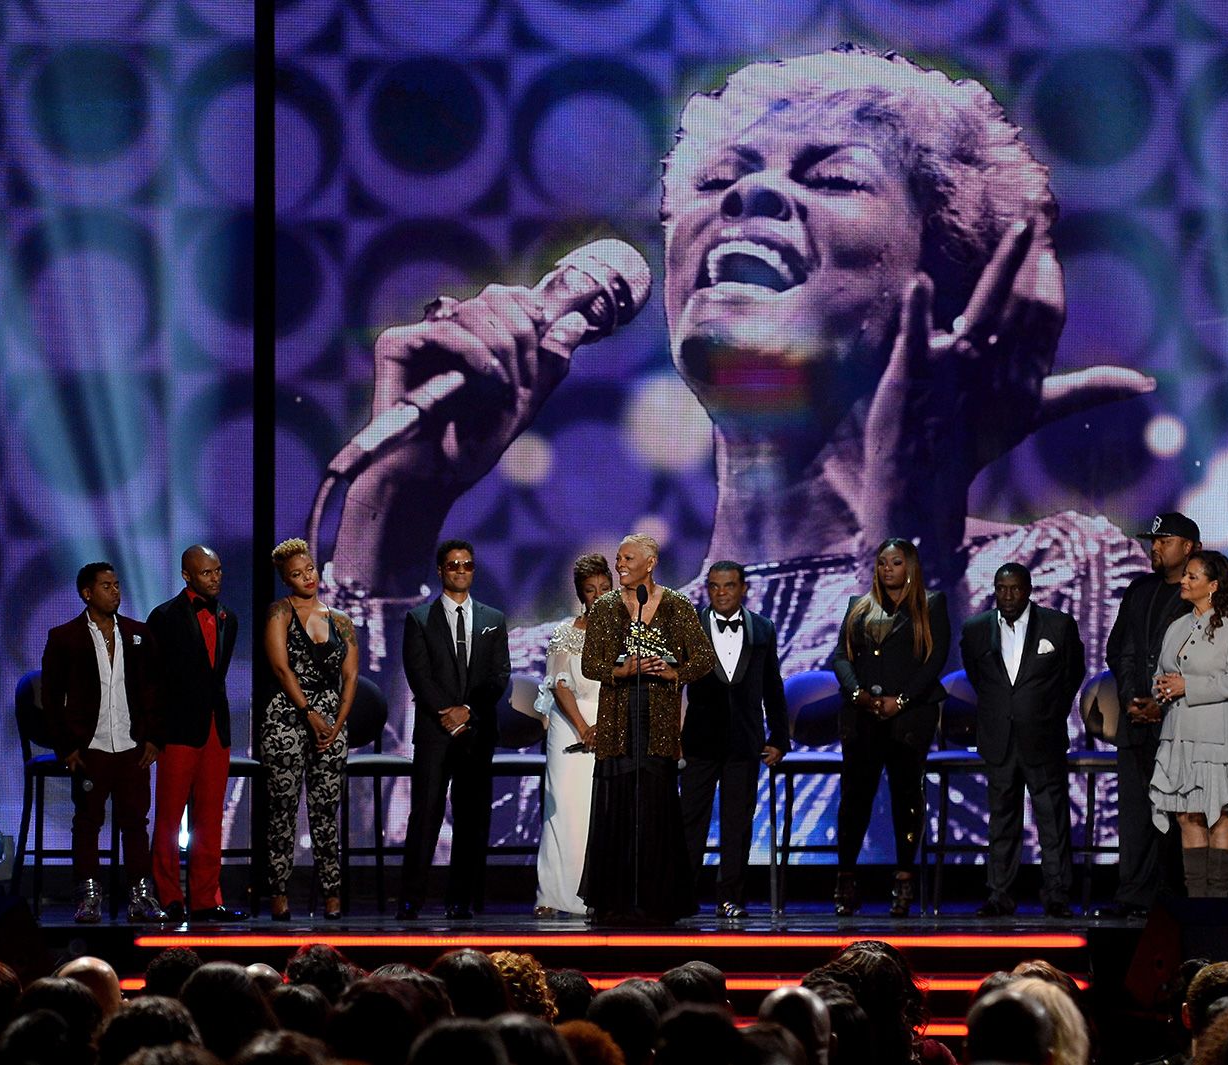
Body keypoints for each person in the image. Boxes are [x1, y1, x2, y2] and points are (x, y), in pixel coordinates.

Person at [320, 47, 1154, 857]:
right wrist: (385, 521)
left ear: (946, 282)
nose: (750, 193)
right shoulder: (557, 662)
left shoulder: (1060, 572)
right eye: (718, 183)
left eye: (832, 178)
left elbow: (1014, 865)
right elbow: (342, 887)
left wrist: (910, 542)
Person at [579, 533, 715, 924]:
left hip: (658, 720)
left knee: (654, 805)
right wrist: (623, 670)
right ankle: (615, 899)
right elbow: (591, 665)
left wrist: (675, 673)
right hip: (619, 718)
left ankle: (656, 898)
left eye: (627, 558)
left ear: (650, 563)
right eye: (618, 558)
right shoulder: (605, 607)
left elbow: (703, 657)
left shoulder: (676, 605)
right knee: (620, 802)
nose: (619, 564)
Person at [829, 539, 949, 917]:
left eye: (896, 563)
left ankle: (904, 879)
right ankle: (846, 879)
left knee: (906, 799)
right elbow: (840, 657)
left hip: (910, 720)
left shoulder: (931, 605)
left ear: (909, 566)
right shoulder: (858, 607)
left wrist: (902, 701)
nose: (888, 569)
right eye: (882, 563)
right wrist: (858, 694)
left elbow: (934, 661)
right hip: (862, 716)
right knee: (854, 800)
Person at [40, 561, 164, 922]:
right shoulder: (65, 637)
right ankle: (88, 897)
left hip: (131, 746)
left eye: (117, 585)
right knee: (87, 822)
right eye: (106, 586)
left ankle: (142, 896)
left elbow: (155, 691)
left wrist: (154, 739)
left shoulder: (138, 634)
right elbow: (51, 699)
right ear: (87, 593)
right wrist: (66, 748)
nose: (115, 592)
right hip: (90, 747)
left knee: (136, 822)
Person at [960, 561, 1084, 917]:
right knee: (1001, 819)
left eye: (1015, 588)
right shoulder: (976, 629)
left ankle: (1057, 893)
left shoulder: (1057, 625)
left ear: (1029, 589)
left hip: (1042, 735)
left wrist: (1049, 712)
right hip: (999, 737)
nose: (1008, 595)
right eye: (1002, 588)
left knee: (1052, 817)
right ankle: (1000, 894)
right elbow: (978, 677)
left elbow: (1073, 673)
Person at [399, 539, 513, 920]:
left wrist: (467, 711)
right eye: (453, 565)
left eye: (466, 565)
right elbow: (419, 674)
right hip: (435, 731)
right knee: (426, 814)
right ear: (440, 570)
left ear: (474, 570)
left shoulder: (493, 619)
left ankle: (461, 899)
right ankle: (411, 898)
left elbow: (499, 676)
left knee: (472, 817)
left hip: (477, 731)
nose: (460, 571)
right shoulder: (418, 619)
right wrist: (446, 713)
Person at [1103, 512, 1201, 917]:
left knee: (1179, 813)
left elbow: (1202, 657)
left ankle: (1173, 899)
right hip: (1136, 720)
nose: (1154, 547)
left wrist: (1160, 703)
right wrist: (1132, 700)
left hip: (1179, 721)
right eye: (1152, 540)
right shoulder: (1139, 589)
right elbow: (1120, 650)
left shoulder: (1202, 592)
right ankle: (1133, 896)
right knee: (1136, 813)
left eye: (1164, 540)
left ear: (1189, 547)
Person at [680, 560, 789, 919]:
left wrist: (779, 738)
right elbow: (672, 686)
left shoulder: (762, 628)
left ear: (744, 588)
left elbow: (773, 686)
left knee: (737, 824)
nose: (721, 593)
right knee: (690, 820)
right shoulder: (690, 626)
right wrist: (671, 736)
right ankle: (683, 895)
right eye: (714, 586)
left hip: (745, 741)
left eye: (728, 586)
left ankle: (730, 897)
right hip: (698, 739)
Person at [1148, 550, 1228, 898]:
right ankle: (1197, 900)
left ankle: (1218, 899)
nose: (1184, 580)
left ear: (1213, 586)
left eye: (1192, 576)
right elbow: (1161, 673)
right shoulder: (1178, 626)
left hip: (1216, 734)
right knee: (1186, 814)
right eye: (1186, 575)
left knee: (1216, 813)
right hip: (1180, 731)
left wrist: (1187, 686)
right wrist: (1161, 688)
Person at [261, 538, 358, 920]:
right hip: (287, 716)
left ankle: (332, 894)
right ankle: (279, 892)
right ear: (286, 580)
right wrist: (309, 713)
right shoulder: (279, 613)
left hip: (332, 718)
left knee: (325, 810)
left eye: (310, 570)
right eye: (297, 574)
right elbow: (281, 668)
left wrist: (337, 723)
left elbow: (351, 677)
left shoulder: (341, 621)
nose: (307, 578)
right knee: (283, 809)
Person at [147, 545, 243, 923]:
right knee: (170, 819)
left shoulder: (227, 618)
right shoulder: (164, 617)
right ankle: (169, 895)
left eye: (218, 570)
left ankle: (205, 898)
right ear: (187, 575)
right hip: (177, 729)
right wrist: (154, 733)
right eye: (207, 572)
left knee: (209, 818)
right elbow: (152, 681)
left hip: (215, 729)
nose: (215, 577)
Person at [532, 553, 614, 916]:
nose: (598, 595)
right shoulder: (566, 631)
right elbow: (560, 685)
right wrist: (584, 728)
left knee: (599, 809)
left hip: (610, 723)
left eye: (604, 588)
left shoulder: (626, 631)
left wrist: (606, 726)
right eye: (590, 590)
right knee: (562, 807)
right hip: (570, 724)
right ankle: (552, 894)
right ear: (582, 594)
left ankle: (599, 892)